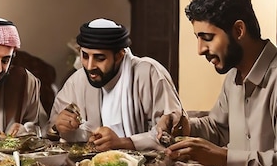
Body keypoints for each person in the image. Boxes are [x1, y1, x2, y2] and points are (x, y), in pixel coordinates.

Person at [160, 0, 277, 166]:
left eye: (207, 38)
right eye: (197, 38)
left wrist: (222, 158)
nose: (200, 50)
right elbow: (218, 128)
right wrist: (184, 126)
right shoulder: (234, 75)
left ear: (238, 30)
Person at [49, 18, 183, 151]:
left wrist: (123, 143)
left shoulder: (148, 73)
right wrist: (59, 127)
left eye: (99, 58)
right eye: (85, 56)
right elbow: (50, 129)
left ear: (119, 56)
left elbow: (171, 133)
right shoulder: (77, 81)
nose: (90, 66)